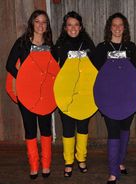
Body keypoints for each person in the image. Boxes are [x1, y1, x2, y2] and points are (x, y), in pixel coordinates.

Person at [6, 10, 53, 179]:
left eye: (44, 22)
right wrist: (24, 79)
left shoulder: (50, 45)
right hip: (26, 94)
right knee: (30, 128)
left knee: (46, 128)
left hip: (45, 95)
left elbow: (54, 70)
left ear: (47, 26)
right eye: (37, 21)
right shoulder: (22, 43)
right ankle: (34, 165)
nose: (41, 25)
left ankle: (46, 164)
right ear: (32, 23)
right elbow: (10, 65)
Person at [94, 13, 136, 184]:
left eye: (121, 25)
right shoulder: (102, 48)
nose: (118, 28)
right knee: (113, 132)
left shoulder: (131, 47)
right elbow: (96, 75)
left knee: (124, 130)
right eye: (114, 25)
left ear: (125, 27)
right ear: (109, 28)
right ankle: (113, 172)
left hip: (128, 97)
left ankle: (120, 162)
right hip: (109, 98)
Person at [52, 11, 96, 177]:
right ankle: (68, 161)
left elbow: (96, 68)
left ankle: (81, 158)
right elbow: (53, 70)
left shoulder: (88, 45)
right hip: (65, 95)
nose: (73, 28)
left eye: (76, 24)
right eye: (69, 25)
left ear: (81, 27)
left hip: (85, 95)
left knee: (83, 128)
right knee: (68, 128)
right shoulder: (58, 47)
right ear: (65, 28)